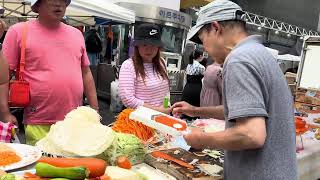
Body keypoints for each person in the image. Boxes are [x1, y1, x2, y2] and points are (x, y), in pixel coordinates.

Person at [172, 0, 297, 179]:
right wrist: (195, 110)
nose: (205, 50)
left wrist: (202, 140)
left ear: (216, 28)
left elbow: (252, 134)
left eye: (203, 40)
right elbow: (242, 110)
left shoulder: (239, 59)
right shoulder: (259, 53)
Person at [0, 0, 98, 145]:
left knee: (75, 165)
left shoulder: (76, 34)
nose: (59, 4)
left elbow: (86, 73)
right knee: (42, 165)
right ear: (37, 5)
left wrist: (94, 109)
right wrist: (5, 112)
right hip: (38, 121)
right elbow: (3, 76)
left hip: (75, 121)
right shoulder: (18, 31)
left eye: (63, 0)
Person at [119, 23, 170, 114]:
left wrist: (167, 107)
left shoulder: (162, 62)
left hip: (160, 118)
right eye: (144, 45)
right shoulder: (128, 66)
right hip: (139, 120)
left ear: (158, 47)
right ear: (137, 46)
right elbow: (128, 99)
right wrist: (158, 110)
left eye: (153, 45)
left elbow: (166, 92)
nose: (149, 49)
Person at [181, 48, 205, 121]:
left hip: (187, 88)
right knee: (194, 109)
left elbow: (185, 78)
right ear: (200, 56)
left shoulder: (189, 65)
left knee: (185, 108)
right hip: (196, 89)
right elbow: (205, 79)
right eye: (203, 55)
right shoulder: (201, 67)